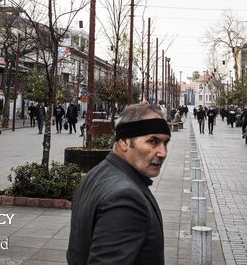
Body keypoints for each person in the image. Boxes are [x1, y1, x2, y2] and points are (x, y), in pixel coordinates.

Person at [67, 103, 170, 264]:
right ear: (124, 142)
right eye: (153, 141)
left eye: (165, 143)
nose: (163, 152)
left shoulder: (95, 174)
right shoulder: (125, 198)